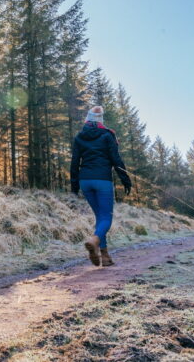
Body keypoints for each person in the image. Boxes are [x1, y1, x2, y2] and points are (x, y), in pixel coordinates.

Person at [70, 105, 133, 266]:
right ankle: (94, 240)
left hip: (85, 181)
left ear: (87, 119)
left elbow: (75, 162)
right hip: (103, 180)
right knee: (106, 218)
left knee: (100, 218)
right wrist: (125, 179)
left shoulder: (79, 137)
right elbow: (116, 159)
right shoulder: (107, 135)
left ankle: (104, 257)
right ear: (100, 121)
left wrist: (74, 184)